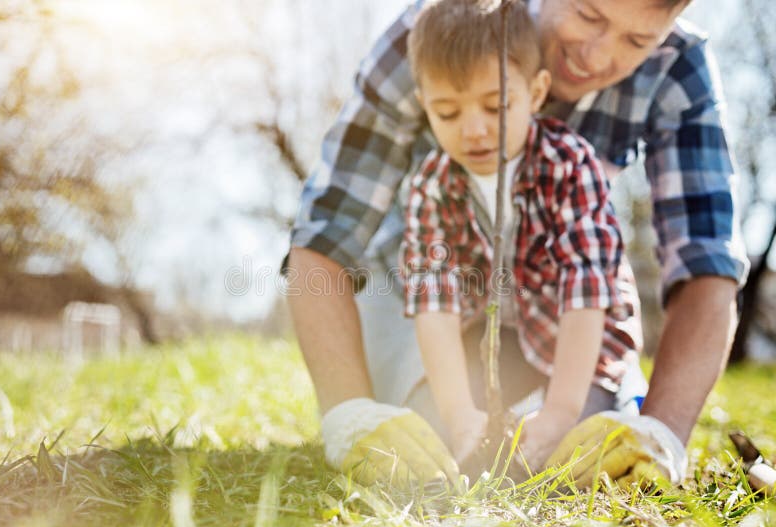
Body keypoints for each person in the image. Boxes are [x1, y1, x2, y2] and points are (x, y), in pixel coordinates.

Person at [286, 0, 748, 487]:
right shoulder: (434, 32)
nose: (596, 55)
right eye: (588, 15)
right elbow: (326, 233)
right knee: (433, 431)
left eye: (636, 42)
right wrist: (348, 413)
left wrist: (662, 432)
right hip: (418, 293)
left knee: (587, 431)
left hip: (566, 308)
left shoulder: (674, 71)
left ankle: (609, 403)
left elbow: (704, 263)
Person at [400, 0, 644, 471]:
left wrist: (559, 413)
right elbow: (435, 305)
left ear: (535, 94)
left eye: (496, 106)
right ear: (425, 104)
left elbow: (585, 295)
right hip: (499, 339)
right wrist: (457, 416)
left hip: (583, 341)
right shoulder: (431, 186)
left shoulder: (569, 165)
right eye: (447, 113)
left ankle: (627, 396)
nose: (473, 130)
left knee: (572, 451)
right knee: (428, 432)